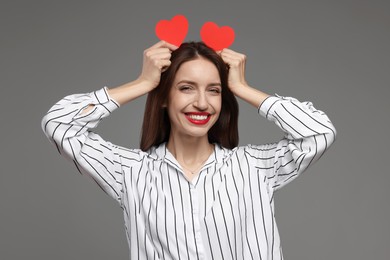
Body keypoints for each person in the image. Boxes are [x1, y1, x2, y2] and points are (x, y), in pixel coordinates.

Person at [42, 41, 336, 260]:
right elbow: (60, 124)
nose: (202, 103)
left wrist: (242, 87)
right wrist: (142, 83)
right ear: (164, 98)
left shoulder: (253, 167)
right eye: (186, 88)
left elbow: (318, 133)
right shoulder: (131, 172)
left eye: (214, 90)